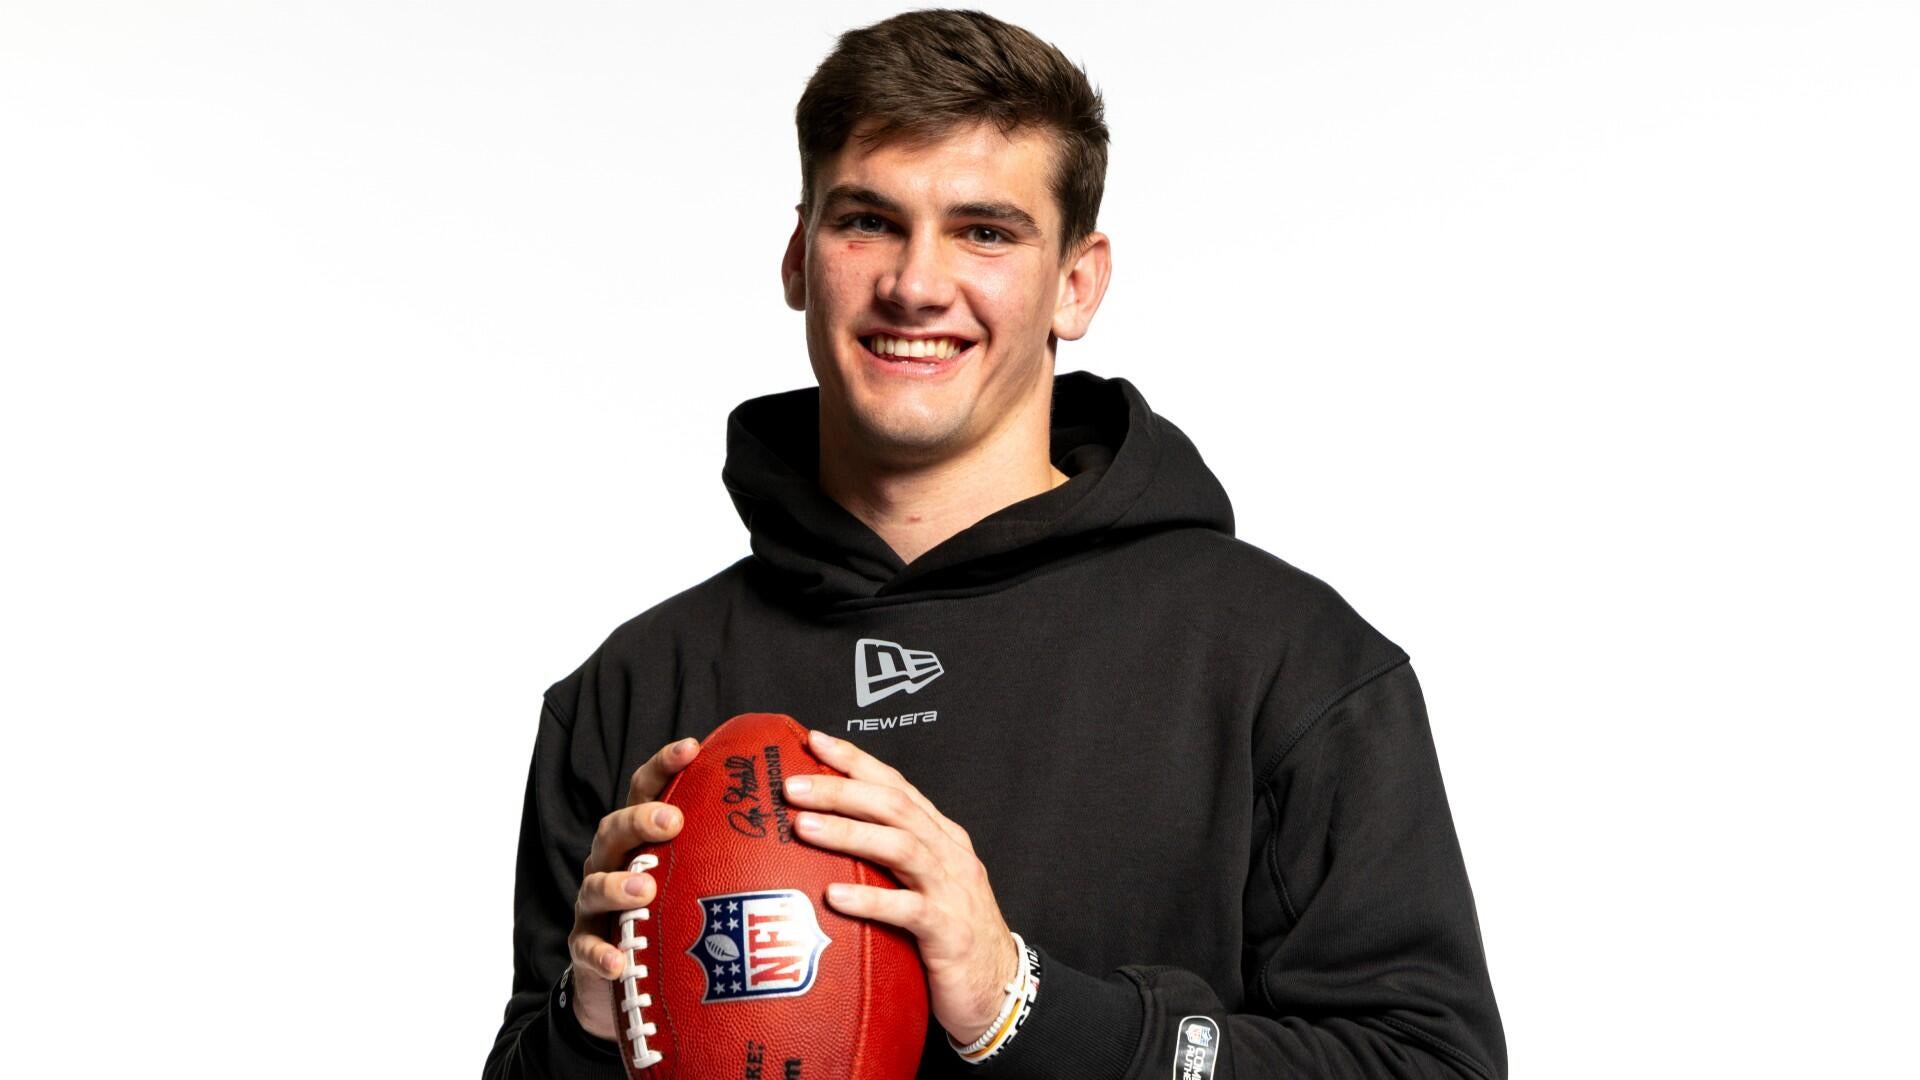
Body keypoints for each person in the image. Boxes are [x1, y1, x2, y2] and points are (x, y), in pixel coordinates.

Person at [483, 9, 1506, 1079]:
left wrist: (1026, 1004)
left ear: (1077, 282)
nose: (915, 285)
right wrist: (587, 1026)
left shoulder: (1284, 660)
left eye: (985, 232)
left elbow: (1431, 1067)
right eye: (868, 221)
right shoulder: (630, 691)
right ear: (798, 257)